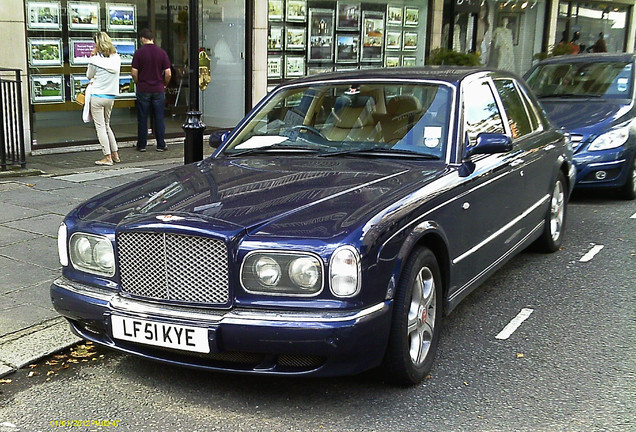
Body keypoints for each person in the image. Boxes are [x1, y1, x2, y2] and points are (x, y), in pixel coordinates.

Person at [131, 28, 172, 152]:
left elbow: (134, 73)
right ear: (152, 39)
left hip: (143, 88)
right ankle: (160, 144)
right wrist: (164, 84)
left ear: (143, 39)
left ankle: (142, 145)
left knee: (142, 118)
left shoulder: (138, 53)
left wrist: (138, 83)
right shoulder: (162, 53)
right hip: (158, 89)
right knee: (159, 117)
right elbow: (168, 73)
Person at [87, 32, 121, 166]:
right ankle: (115, 154)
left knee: (100, 127)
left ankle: (107, 157)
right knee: (107, 125)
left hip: (97, 96)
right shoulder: (117, 58)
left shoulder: (95, 60)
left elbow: (89, 75)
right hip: (110, 96)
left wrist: (92, 57)